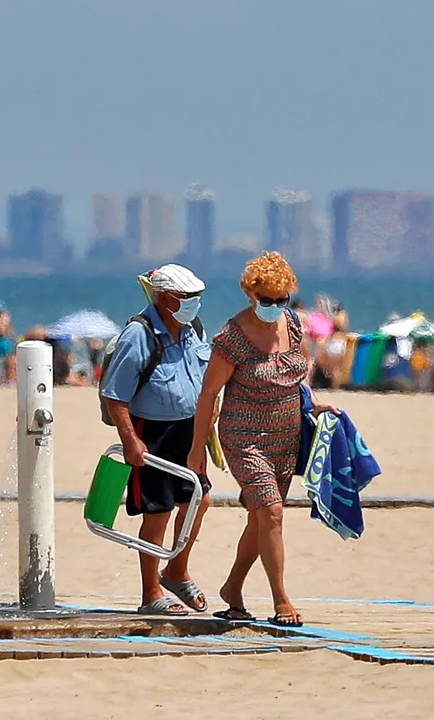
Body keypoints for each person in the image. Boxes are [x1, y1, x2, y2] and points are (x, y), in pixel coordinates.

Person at [190, 252, 335, 628]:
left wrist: (313, 402)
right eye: (266, 299)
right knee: (271, 512)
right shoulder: (231, 338)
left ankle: (233, 588)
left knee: (261, 518)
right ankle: (281, 600)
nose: (274, 306)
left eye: (281, 299)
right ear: (250, 294)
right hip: (244, 435)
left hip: (287, 434)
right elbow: (208, 394)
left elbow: (296, 371)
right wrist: (197, 450)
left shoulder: (291, 323)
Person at [100, 264, 212, 616]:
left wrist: (205, 434)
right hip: (153, 431)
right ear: (164, 298)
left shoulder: (193, 328)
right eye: (186, 298)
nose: (193, 304)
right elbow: (114, 395)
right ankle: (151, 594)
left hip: (190, 429)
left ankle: (176, 570)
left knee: (200, 500)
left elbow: (203, 377)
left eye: (196, 297)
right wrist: (131, 440)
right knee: (158, 512)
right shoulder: (140, 333)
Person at [0, 302, 17, 384]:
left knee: (8, 359)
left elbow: (8, 329)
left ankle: (8, 378)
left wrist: (13, 338)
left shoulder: (5, 317)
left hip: (3, 340)